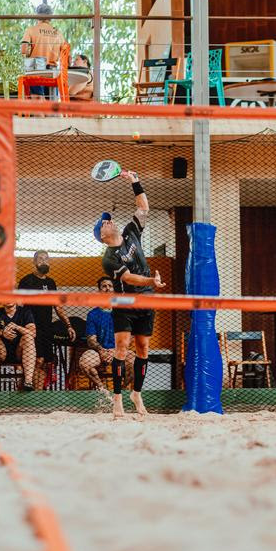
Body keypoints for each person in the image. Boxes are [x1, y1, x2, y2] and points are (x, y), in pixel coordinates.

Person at [95, 170, 165, 418]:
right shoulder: (109, 259)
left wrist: (135, 181)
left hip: (146, 300)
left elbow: (143, 208)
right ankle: (117, 400)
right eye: (104, 223)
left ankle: (136, 393)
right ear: (102, 237)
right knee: (122, 348)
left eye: (108, 219)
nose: (109, 221)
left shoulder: (130, 233)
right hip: (125, 303)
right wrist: (151, 280)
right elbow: (127, 278)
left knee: (144, 348)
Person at [18, 250, 76, 390]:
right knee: (37, 360)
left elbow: (58, 307)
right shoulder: (26, 281)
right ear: (34, 262)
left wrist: (68, 325)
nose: (44, 261)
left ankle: (37, 395)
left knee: (45, 362)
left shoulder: (51, 283)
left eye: (46, 259)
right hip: (31, 328)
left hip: (46, 328)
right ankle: (27, 390)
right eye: (40, 258)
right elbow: (18, 306)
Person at [81, 276, 134, 392]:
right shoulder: (93, 314)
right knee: (84, 363)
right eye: (104, 286)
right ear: (99, 291)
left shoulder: (122, 312)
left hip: (120, 351)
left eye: (110, 286)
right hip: (99, 352)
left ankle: (122, 391)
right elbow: (91, 340)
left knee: (135, 362)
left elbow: (129, 338)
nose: (107, 289)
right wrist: (101, 350)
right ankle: (103, 391)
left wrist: (116, 351)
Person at [0, 302, 36, 391]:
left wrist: (17, 327)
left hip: (20, 352)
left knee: (28, 337)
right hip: (2, 352)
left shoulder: (25, 312)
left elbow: (33, 333)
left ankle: (28, 382)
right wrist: (3, 333)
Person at [20, 4, 67, 97]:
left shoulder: (31, 30)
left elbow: (24, 50)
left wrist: (31, 52)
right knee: (51, 100)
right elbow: (65, 54)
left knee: (37, 99)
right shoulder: (58, 33)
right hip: (52, 71)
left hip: (36, 68)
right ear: (50, 17)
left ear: (37, 16)